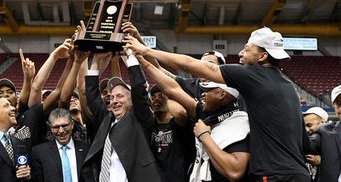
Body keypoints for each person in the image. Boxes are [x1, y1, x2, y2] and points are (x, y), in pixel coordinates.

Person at [126, 27, 309, 181]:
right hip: (298, 173)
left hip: (273, 174)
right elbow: (305, 143)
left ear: (261, 56)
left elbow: (189, 64)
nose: (240, 53)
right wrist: (142, 56)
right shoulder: (289, 88)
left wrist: (147, 50)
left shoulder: (252, 77)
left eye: (247, 48)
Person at [140, 56, 249, 182]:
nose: (202, 93)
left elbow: (235, 172)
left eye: (207, 90)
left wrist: (204, 136)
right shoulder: (206, 114)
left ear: (221, 94)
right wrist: (143, 62)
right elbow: (172, 89)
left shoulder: (240, 124)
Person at [81, 49, 162, 182]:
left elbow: (139, 87)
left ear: (131, 100)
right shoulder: (107, 119)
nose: (114, 101)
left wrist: (129, 55)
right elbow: (92, 96)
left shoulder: (140, 118)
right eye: (112, 97)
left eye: (120, 96)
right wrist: (96, 60)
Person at [31, 108, 90, 182]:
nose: (61, 131)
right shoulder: (39, 152)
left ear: (72, 125)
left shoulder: (87, 149)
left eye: (65, 125)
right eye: (56, 127)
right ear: (50, 128)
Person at [302, 106, 328, 181]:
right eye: (304, 127)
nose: (306, 130)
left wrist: (321, 162)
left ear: (322, 123)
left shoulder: (334, 139)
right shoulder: (304, 141)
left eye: (309, 125)